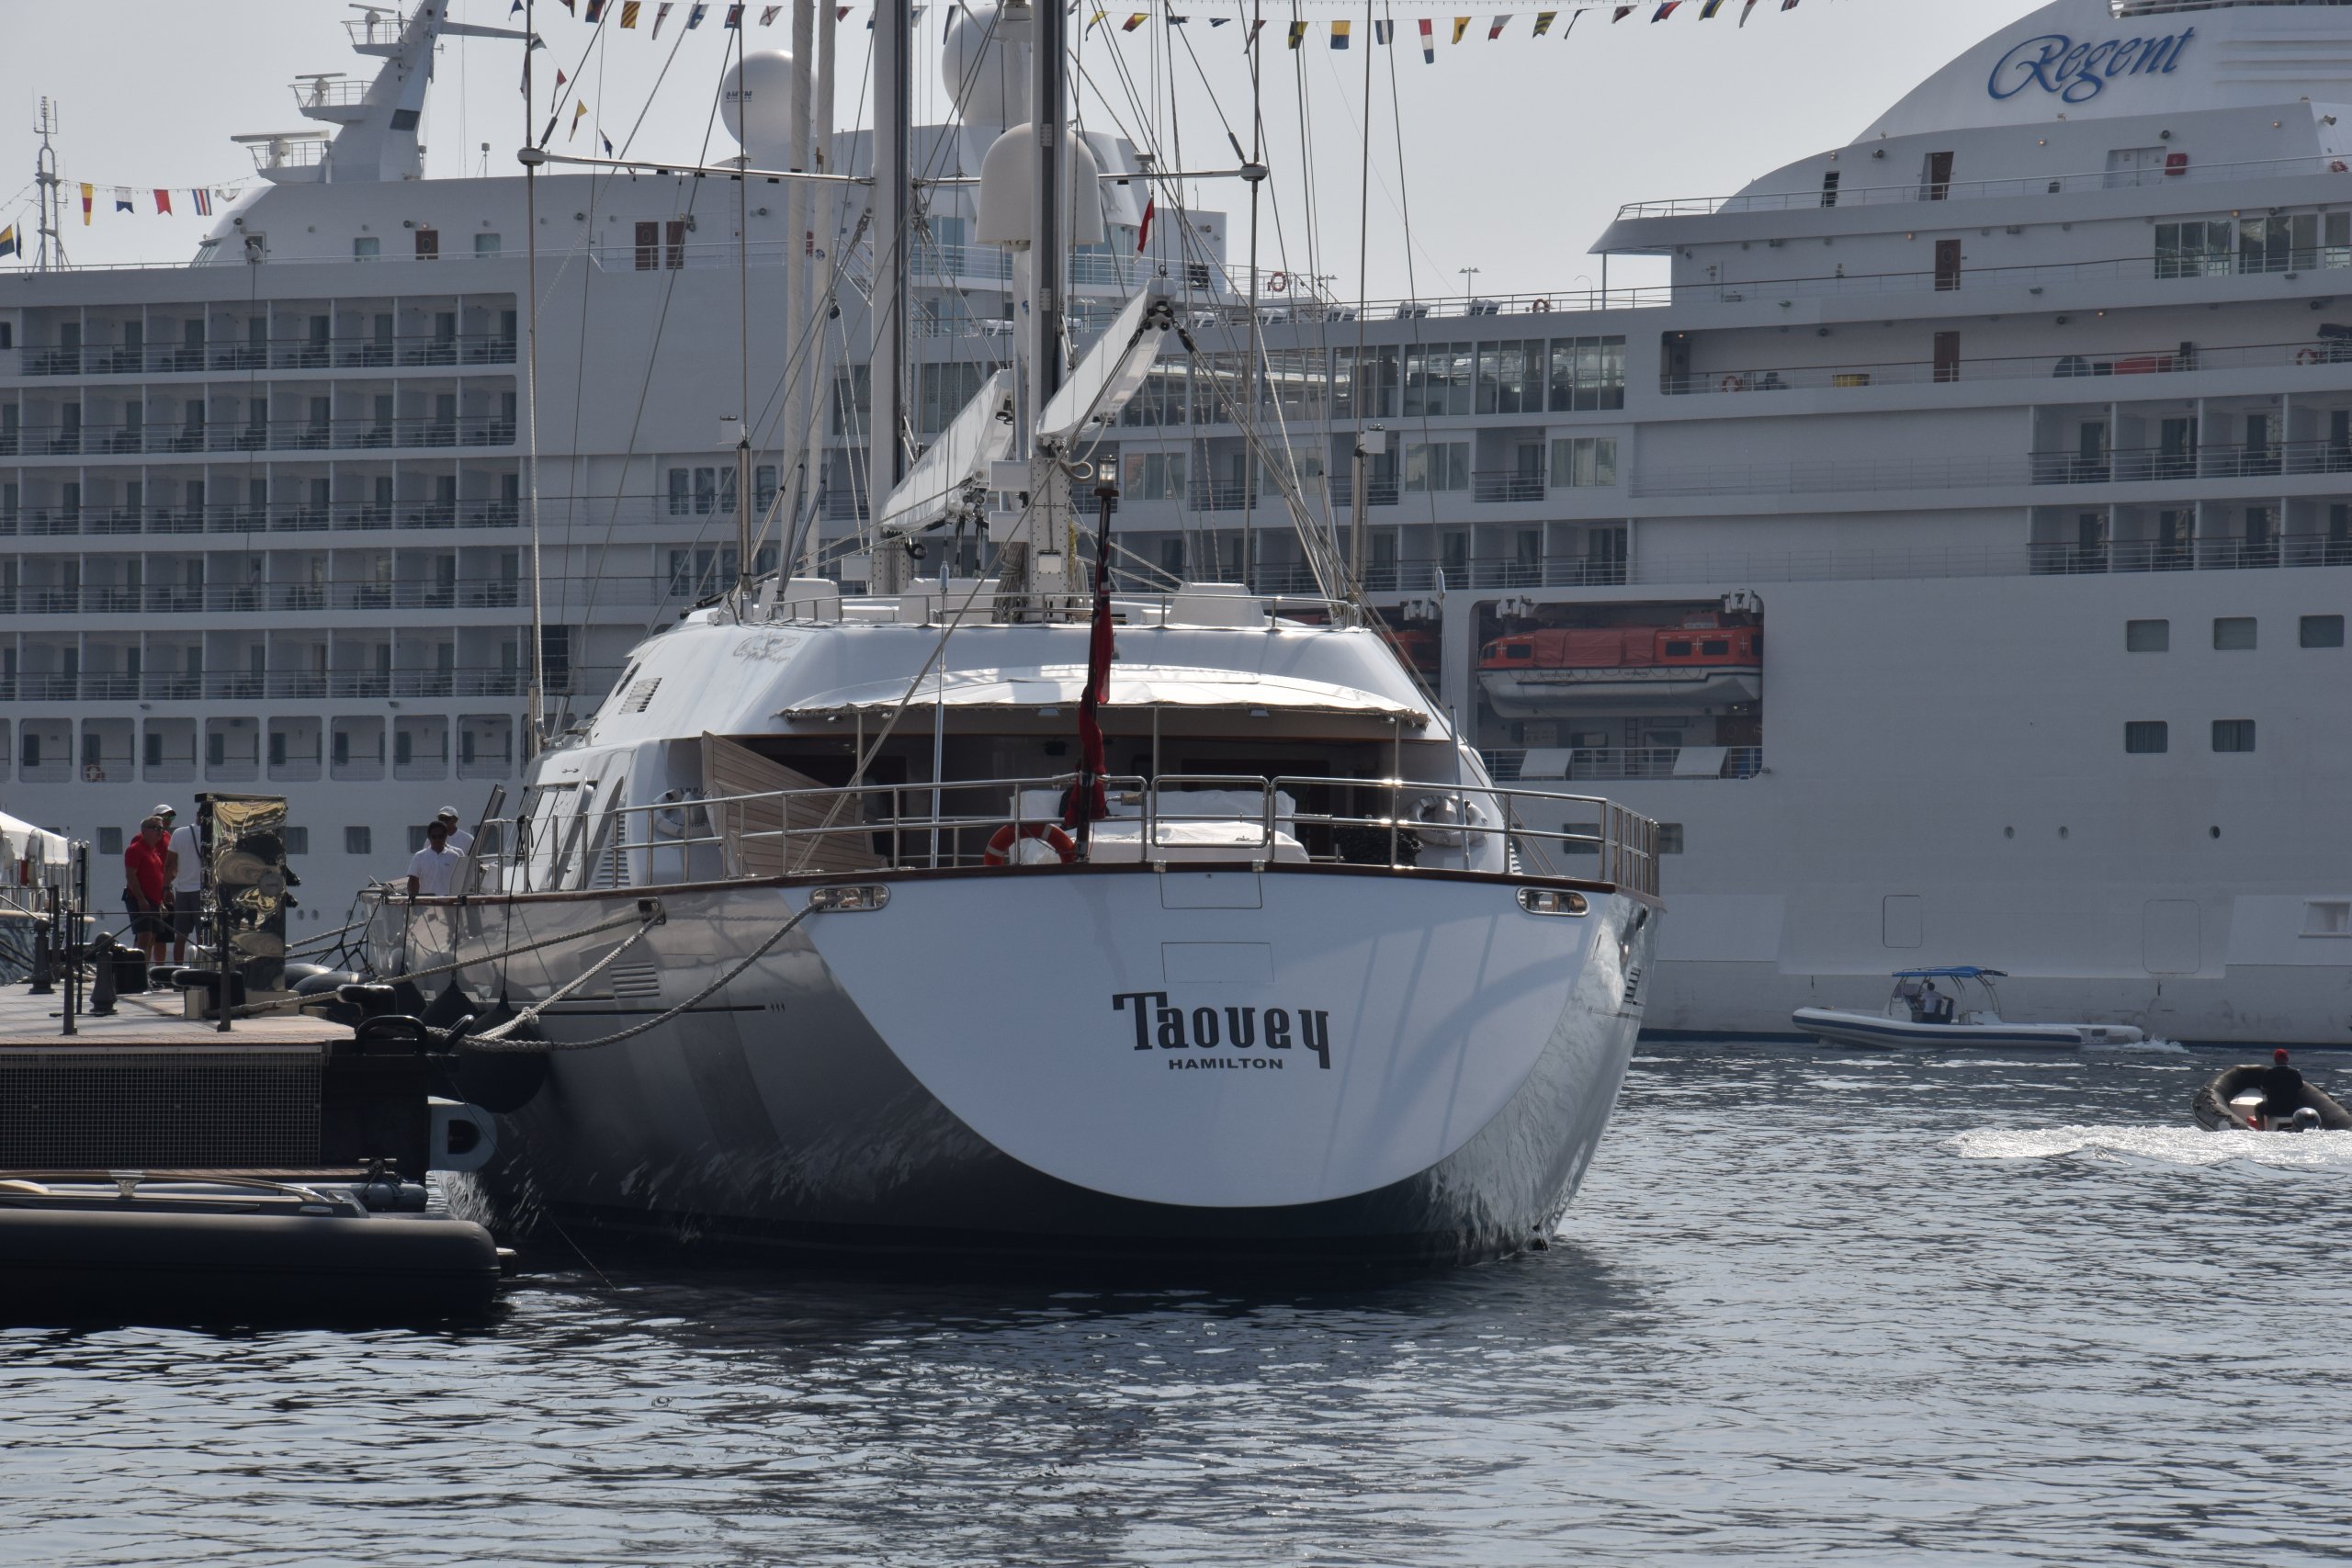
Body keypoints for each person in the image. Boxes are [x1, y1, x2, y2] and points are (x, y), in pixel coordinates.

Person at [122, 814, 172, 964]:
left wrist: (161, 902)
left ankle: (144, 974)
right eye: (154, 828)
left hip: (154, 901)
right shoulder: (135, 849)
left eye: (161, 828)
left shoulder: (154, 851)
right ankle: (135, 975)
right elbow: (131, 875)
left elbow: (158, 876)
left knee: (151, 938)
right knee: (143, 937)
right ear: (144, 830)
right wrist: (141, 899)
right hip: (141, 899)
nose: (159, 831)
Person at [159, 803, 203, 964]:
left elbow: (170, 864)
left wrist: (166, 887)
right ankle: (202, 970)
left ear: (197, 815)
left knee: (181, 936)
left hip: (183, 890)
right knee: (202, 936)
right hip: (204, 892)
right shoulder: (215, 834)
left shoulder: (179, 833)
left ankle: (177, 970)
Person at [407, 818, 466, 899]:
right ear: (429, 837)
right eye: (434, 837)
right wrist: (414, 901)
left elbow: (461, 880)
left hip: (449, 904)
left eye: (441, 836)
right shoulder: (419, 856)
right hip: (427, 904)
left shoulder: (455, 856)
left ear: (446, 836)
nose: (437, 840)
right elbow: (413, 880)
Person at [2256, 1048, 2306, 1128]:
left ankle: (2262, 1130)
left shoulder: (2270, 1073)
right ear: (2287, 1059)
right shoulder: (2295, 1073)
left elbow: (2263, 1090)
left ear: (2275, 1060)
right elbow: (2301, 1089)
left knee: (2258, 1108)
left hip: (2274, 1108)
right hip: (2292, 1107)